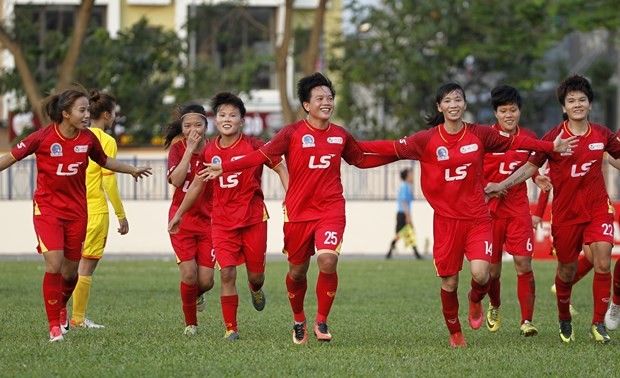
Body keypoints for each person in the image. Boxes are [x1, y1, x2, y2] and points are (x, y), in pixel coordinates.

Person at [358, 82, 576, 347]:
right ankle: (455, 332)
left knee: (482, 273)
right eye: (448, 101)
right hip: (447, 222)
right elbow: (390, 148)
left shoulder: (479, 134)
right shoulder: (426, 140)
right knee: (449, 283)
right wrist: (354, 146)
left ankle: (476, 301)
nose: (453, 105)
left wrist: (550, 146)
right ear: (440, 106)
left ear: (465, 104)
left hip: (477, 218)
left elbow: (516, 141)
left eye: (458, 100)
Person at [202, 73, 397, 344]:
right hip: (297, 212)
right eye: (320, 98)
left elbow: (361, 159)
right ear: (307, 105)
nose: (326, 102)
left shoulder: (340, 135)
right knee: (297, 271)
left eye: (329, 98)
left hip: (331, 208)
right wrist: (225, 166)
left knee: (328, 260)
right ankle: (298, 320)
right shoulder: (292, 133)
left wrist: (400, 152)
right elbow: (261, 156)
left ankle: (321, 320)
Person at [0, 87, 151, 342]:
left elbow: (105, 162)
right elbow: (12, 156)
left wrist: (131, 169)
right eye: (82, 111)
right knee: (54, 264)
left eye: (87, 111)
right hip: (48, 210)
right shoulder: (42, 137)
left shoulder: (88, 139)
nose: (86, 115)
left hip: (78, 212)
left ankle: (62, 308)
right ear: (65, 113)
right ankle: (54, 328)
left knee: (70, 274)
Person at [485, 74, 620, 344]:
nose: (577, 104)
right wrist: (502, 184)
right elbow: (529, 168)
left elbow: (617, 159)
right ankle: (564, 317)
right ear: (564, 107)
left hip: (597, 209)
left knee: (603, 261)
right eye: (572, 101)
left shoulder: (602, 135)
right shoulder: (553, 138)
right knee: (566, 271)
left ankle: (598, 323)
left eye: (582, 100)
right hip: (566, 214)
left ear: (589, 105)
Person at [169, 93, 289, 340]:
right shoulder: (209, 151)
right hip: (222, 223)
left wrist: (292, 196)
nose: (227, 119)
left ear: (242, 120)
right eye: (222, 114)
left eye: (233, 115)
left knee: (256, 275)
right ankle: (231, 328)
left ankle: (256, 288)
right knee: (226, 273)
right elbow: (196, 186)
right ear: (216, 120)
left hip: (253, 218)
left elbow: (279, 166)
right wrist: (179, 214)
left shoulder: (254, 146)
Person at [482, 85, 540, 336]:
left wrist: (539, 179)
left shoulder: (528, 138)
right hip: (490, 212)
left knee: (523, 263)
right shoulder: (484, 138)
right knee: (492, 271)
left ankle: (527, 321)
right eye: (503, 110)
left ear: (519, 111)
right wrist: (486, 188)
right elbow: (471, 174)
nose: (509, 115)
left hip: (518, 209)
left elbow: (534, 165)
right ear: (495, 113)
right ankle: (494, 305)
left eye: (513, 110)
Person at [68, 90, 128, 330]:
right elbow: (109, 180)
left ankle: (61, 317)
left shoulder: (75, 134)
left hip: (72, 208)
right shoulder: (105, 140)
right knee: (86, 266)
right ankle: (78, 318)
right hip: (95, 211)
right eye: (114, 113)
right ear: (106, 114)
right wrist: (121, 215)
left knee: (68, 264)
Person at [164, 104, 216, 336]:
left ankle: (196, 295)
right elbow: (176, 181)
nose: (192, 129)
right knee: (188, 274)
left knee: (205, 281)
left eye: (197, 124)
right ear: (182, 128)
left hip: (210, 222)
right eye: (187, 125)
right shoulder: (177, 149)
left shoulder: (216, 149)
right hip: (181, 221)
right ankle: (191, 324)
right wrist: (189, 151)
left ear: (206, 126)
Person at [386, 167, 422, 259]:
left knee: (409, 233)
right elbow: (404, 202)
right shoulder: (405, 186)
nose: (413, 177)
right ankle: (391, 249)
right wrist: (408, 216)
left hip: (404, 213)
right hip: (402, 214)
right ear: (406, 176)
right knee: (401, 234)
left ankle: (416, 253)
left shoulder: (406, 186)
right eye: (411, 175)